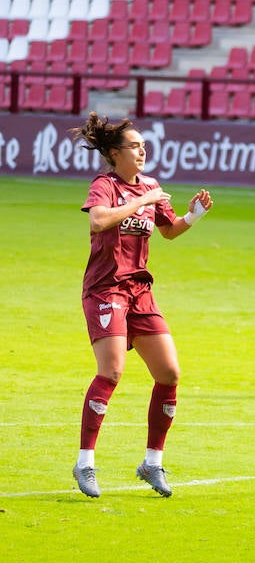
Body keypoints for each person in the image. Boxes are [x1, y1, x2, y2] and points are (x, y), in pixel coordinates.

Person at [69, 112, 214, 498]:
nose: (142, 151)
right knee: (112, 371)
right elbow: (98, 222)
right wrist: (142, 201)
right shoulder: (104, 185)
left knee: (169, 372)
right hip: (105, 289)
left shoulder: (150, 185)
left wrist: (193, 216)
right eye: (135, 146)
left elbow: (167, 231)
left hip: (139, 291)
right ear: (115, 153)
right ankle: (85, 463)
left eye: (143, 145)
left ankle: (152, 463)